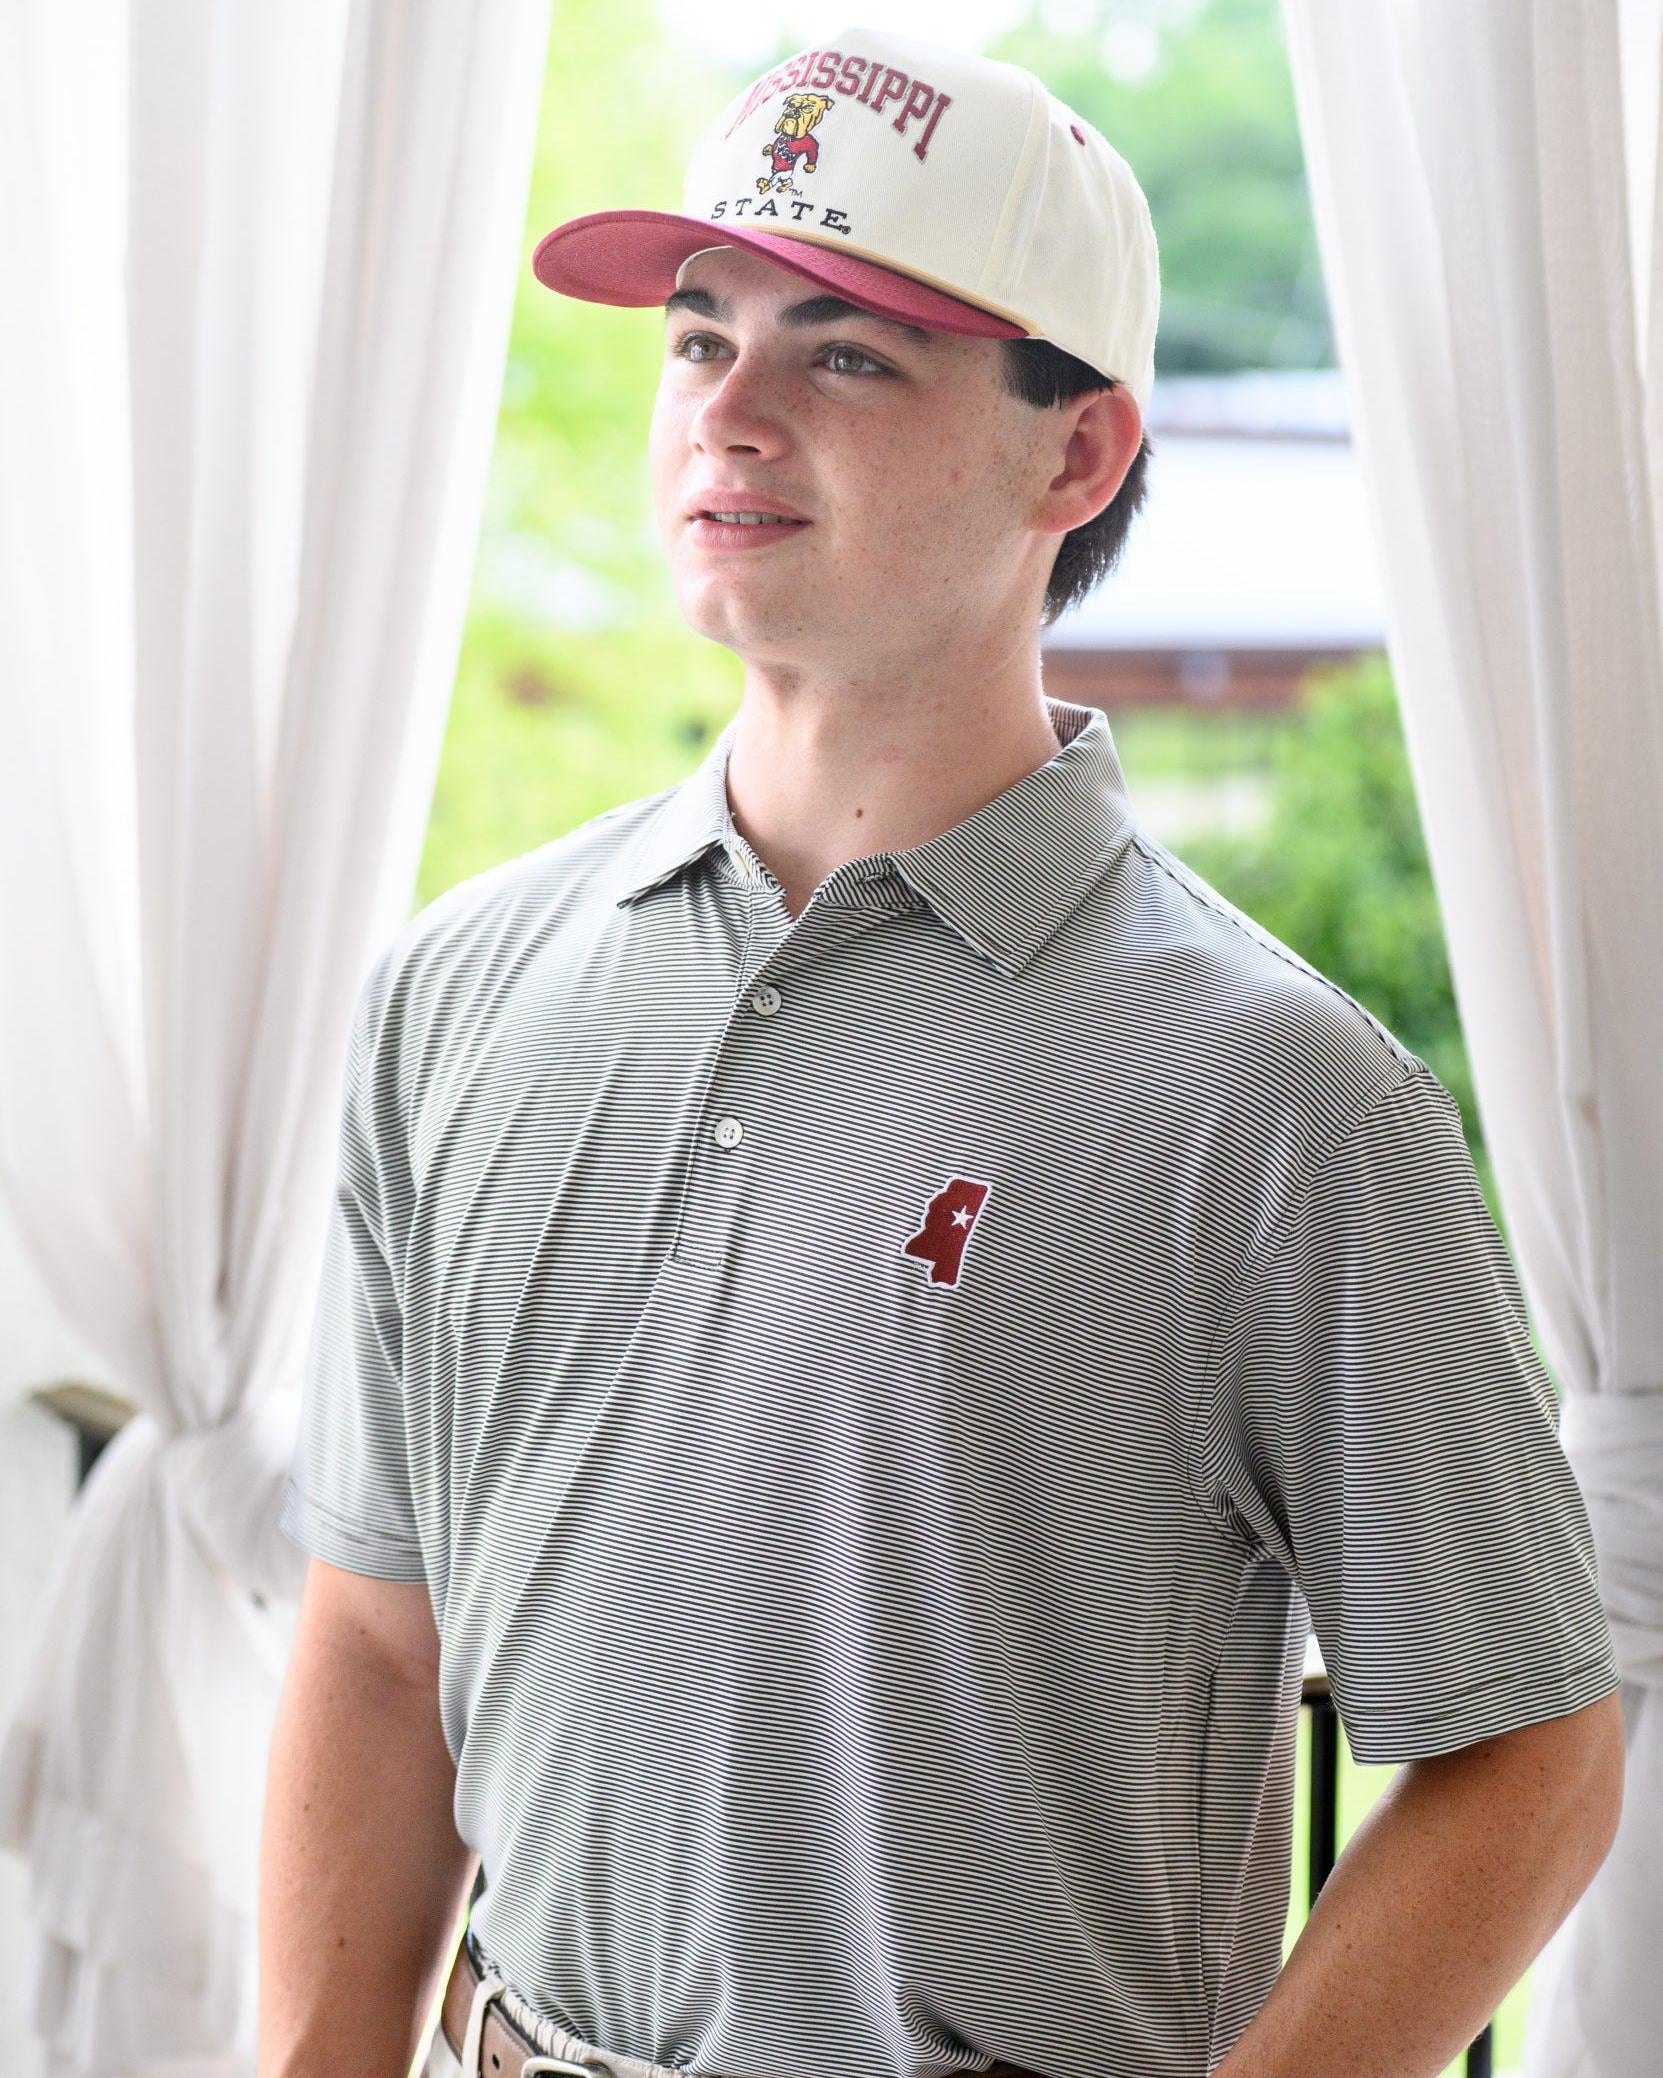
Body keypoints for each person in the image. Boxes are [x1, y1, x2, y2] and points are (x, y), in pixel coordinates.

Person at [258, 24, 1626, 2078]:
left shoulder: (1282, 1103)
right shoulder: (454, 989)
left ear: (1070, 459)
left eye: (845, 355)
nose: (728, 410)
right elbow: (377, 1643)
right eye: (697, 337)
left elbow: (1529, 1751)